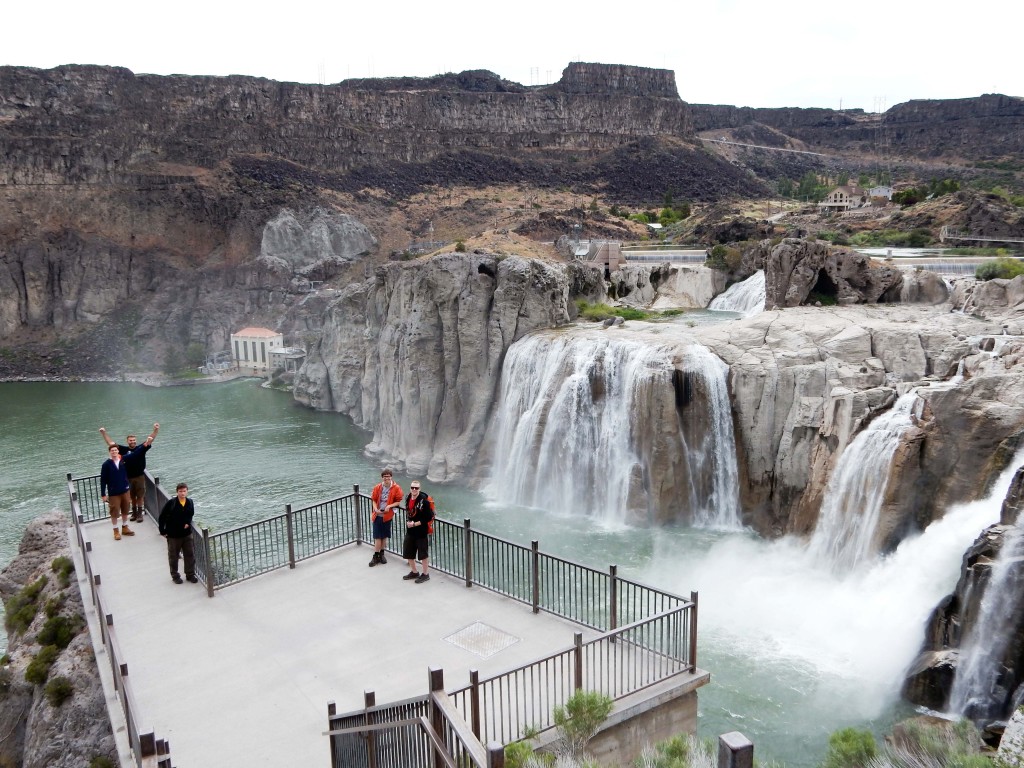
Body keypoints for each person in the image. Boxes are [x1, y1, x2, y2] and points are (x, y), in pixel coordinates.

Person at [100, 423, 159, 522]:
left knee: (140, 496)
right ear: (127, 441)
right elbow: (111, 444)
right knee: (131, 496)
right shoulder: (123, 450)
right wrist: (104, 433)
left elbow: (149, 440)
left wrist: (155, 430)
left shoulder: (141, 448)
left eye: (134, 440)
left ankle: (140, 514)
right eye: (131, 440)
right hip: (127, 477)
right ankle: (134, 513)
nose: (133, 442)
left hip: (139, 476)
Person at [100, 443, 143, 539]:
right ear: (109, 452)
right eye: (112, 451)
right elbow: (103, 480)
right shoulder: (106, 464)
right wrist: (103, 494)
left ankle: (125, 527)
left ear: (118, 451)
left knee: (125, 509)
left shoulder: (123, 460)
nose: (114, 452)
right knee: (114, 511)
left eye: (115, 450)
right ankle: (115, 530)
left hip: (125, 490)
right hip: (114, 492)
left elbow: (135, 454)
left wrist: (145, 445)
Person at [159, 483, 197, 584]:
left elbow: (191, 514)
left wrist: (187, 522)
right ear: (177, 492)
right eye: (180, 491)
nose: (182, 493)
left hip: (186, 534)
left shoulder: (190, 502)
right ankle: (175, 575)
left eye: (184, 491)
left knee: (190, 554)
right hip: (173, 535)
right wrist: (162, 531)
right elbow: (162, 516)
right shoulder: (171, 503)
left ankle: (190, 574)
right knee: (173, 556)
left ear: (187, 491)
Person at [401, 481, 435, 584]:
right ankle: (414, 572)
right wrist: (409, 522)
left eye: (416, 488)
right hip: (410, 531)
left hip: (421, 532)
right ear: (410, 488)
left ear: (419, 489)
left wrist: (415, 524)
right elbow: (409, 512)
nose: (414, 489)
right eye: (412, 487)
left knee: (423, 554)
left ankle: (425, 574)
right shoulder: (408, 497)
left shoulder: (424, 501)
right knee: (408, 552)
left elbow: (428, 517)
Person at [368, 468, 402, 566]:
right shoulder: (378, 487)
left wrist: (389, 506)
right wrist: (375, 509)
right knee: (378, 536)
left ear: (391, 477)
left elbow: (398, 501)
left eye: (388, 476)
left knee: (384, 537)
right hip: (378, 515)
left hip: (387, 516)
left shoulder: (396, 488)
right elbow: (374, 499)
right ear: (382, 478)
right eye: (385, 477)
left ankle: (381, 554)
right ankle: (376, 555)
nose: (387, 479)